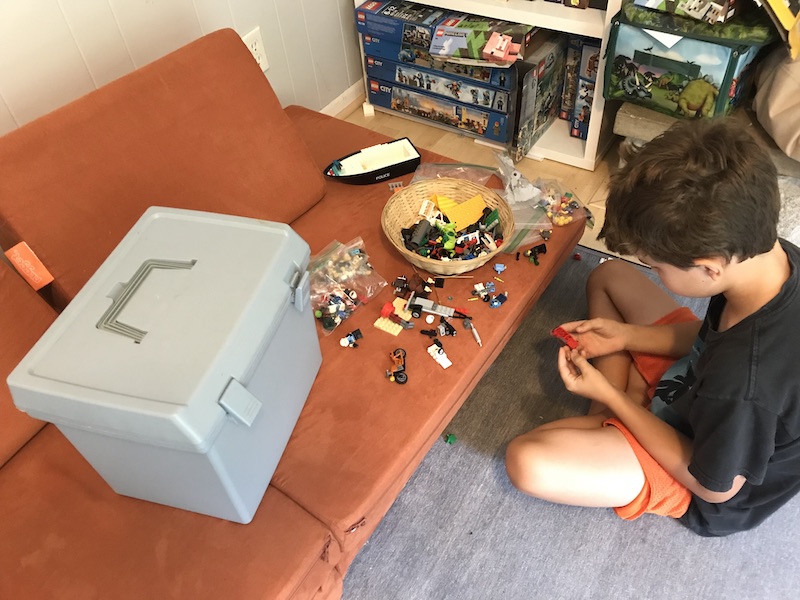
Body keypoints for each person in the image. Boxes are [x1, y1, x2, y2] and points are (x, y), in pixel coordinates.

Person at [505, 118, 800, 537]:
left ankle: (618, 408)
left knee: (526, 459)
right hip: (705, 389)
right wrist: (627, 336)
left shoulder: (745, 382)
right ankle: (621, 408)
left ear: (709, 267)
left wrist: (611, 396)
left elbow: (715, 488)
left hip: (701, 473)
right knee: (608, 277)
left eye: (657, 267)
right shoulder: (765, 256)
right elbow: (708, 339)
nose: (653, 272)